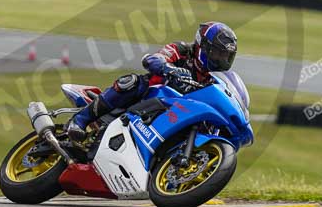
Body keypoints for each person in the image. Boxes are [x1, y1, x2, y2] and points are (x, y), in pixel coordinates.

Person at [66, 21, 238, 141]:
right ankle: (79, 120)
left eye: (225, 56)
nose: (220, 59)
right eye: (218, 53)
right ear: (203, 46)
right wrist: (169, 68)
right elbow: (154, 59)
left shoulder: (211, 80)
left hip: (174, 112)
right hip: (150, 96)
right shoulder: (182, 50)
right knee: (131, 82)